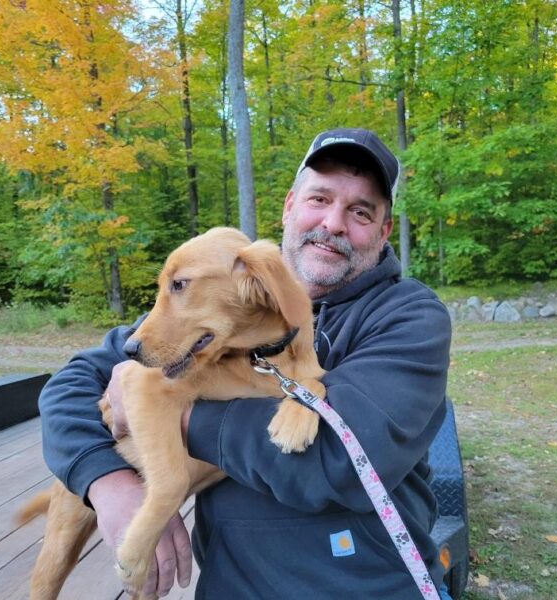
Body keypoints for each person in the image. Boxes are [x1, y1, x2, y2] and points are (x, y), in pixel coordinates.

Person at [39, 128, 453, 599]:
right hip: (232, 586)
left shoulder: (409, 316)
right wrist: (108, 483)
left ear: (382, 232)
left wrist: (176, 411)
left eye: (361, 211)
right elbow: (70, 383)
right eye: (320, 198)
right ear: (289, 208)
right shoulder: (220, 300)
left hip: (365, 586)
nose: (334, 223)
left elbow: (342, 465)